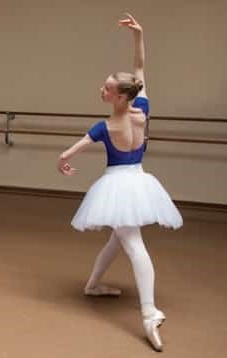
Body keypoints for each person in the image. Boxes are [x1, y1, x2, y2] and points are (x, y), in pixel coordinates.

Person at [57, 14, 182, 352]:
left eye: (107, 89)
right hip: (139, 180)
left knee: (131, 243)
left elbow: (74, 150)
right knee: (118, 237)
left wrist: (62, 160)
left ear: (119, 98)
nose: (102, 89)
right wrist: (139, 36)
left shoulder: (104, 126)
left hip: (117, 185)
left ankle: (148, 312)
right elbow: (140, 70)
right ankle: (93, 284)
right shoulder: (142, 108)